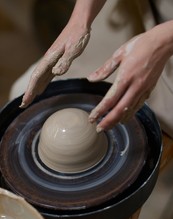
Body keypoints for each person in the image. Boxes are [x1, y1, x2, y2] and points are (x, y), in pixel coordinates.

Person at [18, 0, 173, 135]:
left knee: (157, 121)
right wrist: (79, 20)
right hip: (138, 9)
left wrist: (160, 44)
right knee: (22, 89)